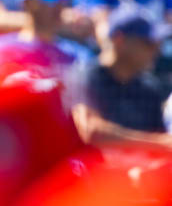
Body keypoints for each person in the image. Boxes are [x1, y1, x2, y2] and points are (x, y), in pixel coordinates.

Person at [72, 8, 172, 150]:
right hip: (91, 171)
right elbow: (91, 131)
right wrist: (157, 144)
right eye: (148, 43)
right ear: (119, 39)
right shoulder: (84, 75)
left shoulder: (149, 88)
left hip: (140, 170)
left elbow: (162, 140)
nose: (156, 51)